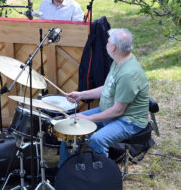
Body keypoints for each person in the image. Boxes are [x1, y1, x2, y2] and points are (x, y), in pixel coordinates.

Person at [59, 28, 149, 165]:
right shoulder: (119, 61)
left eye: (107, 42)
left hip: (129, 120)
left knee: (98, 140)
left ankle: (102, 176)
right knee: (70, 126)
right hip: (109, 111)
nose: (106, 44)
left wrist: (88, 119)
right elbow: (107, 88)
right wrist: (81, 94)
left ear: (113, 47)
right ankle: (66, 170)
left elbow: (118, 111)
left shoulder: (128, 74)